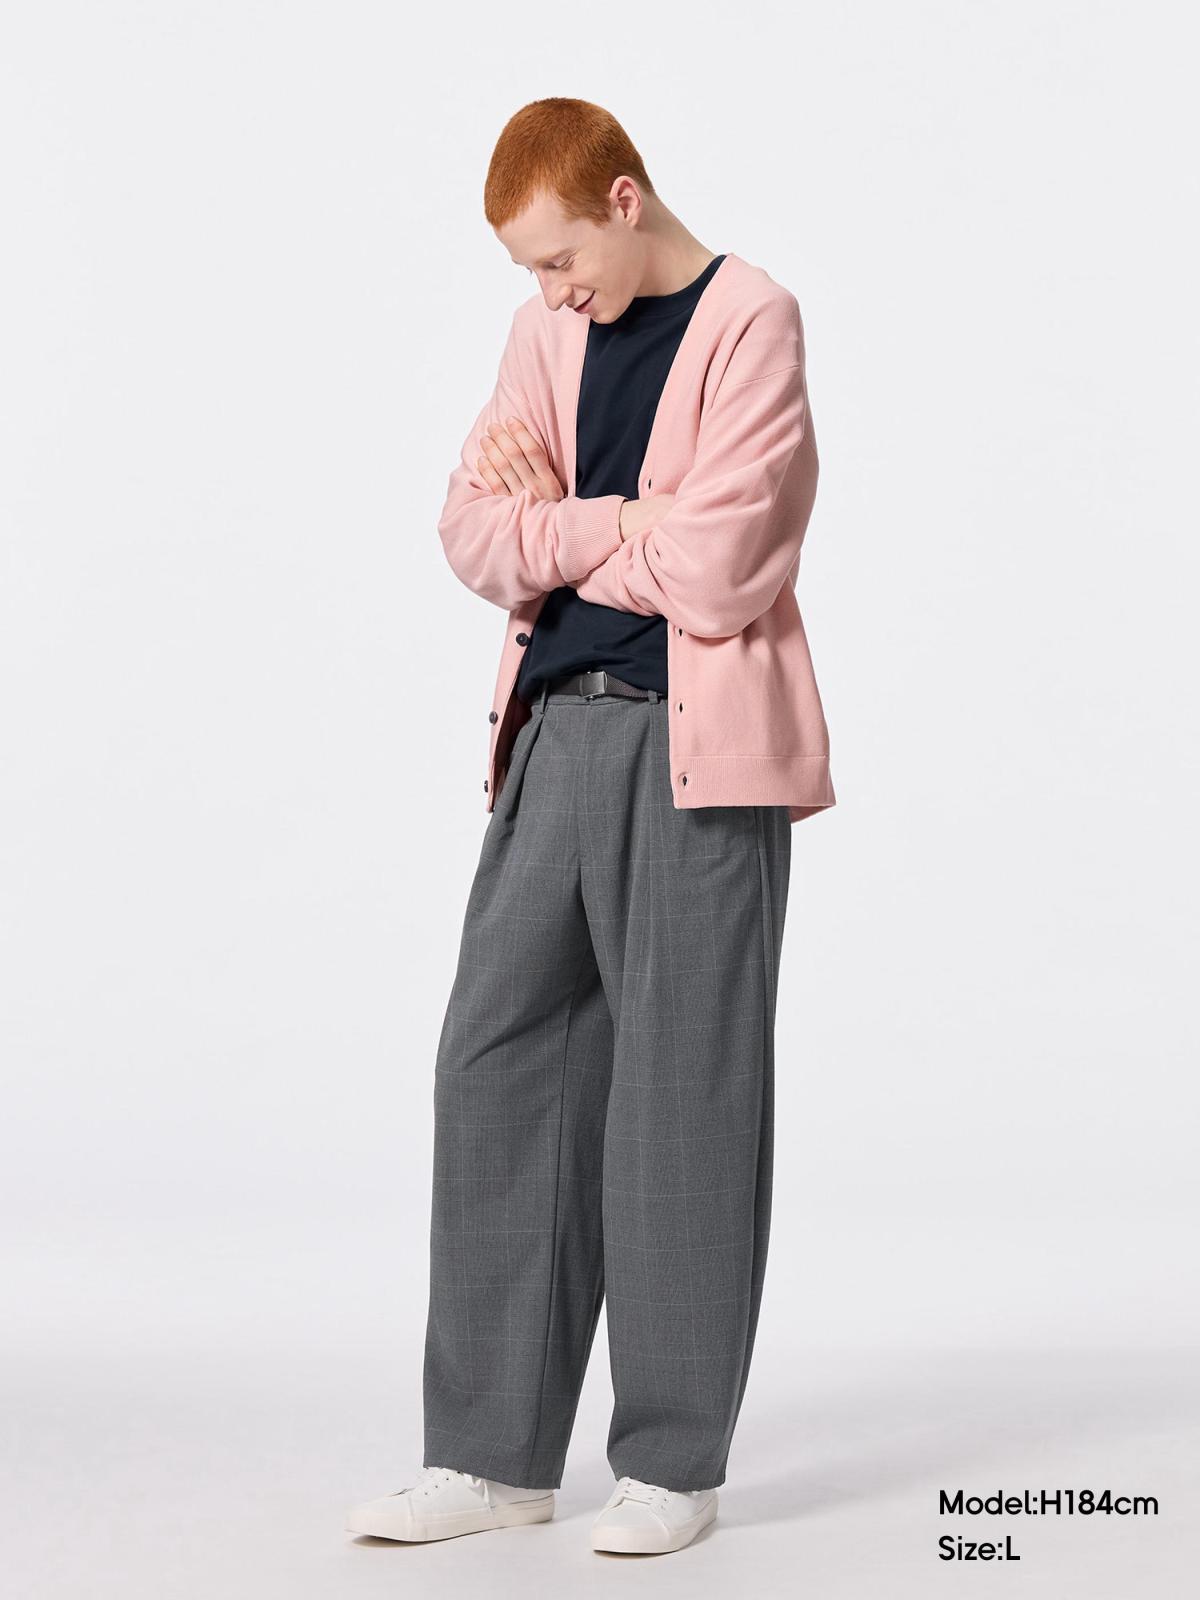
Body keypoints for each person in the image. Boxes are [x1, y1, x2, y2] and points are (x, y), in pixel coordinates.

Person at [347, 96, 834, 1558]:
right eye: (529, 272)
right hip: (552, 736)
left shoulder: (751, 322)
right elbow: (471, 530)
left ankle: (671, 1463)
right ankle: (492, 1456)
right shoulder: (543, 334)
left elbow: (725, 568)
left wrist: (569, 526)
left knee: (683, 1092)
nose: (550, 293)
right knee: (495, 1064)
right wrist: (625, 522)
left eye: (560, 259)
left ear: (626, 200)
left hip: (699, 754)